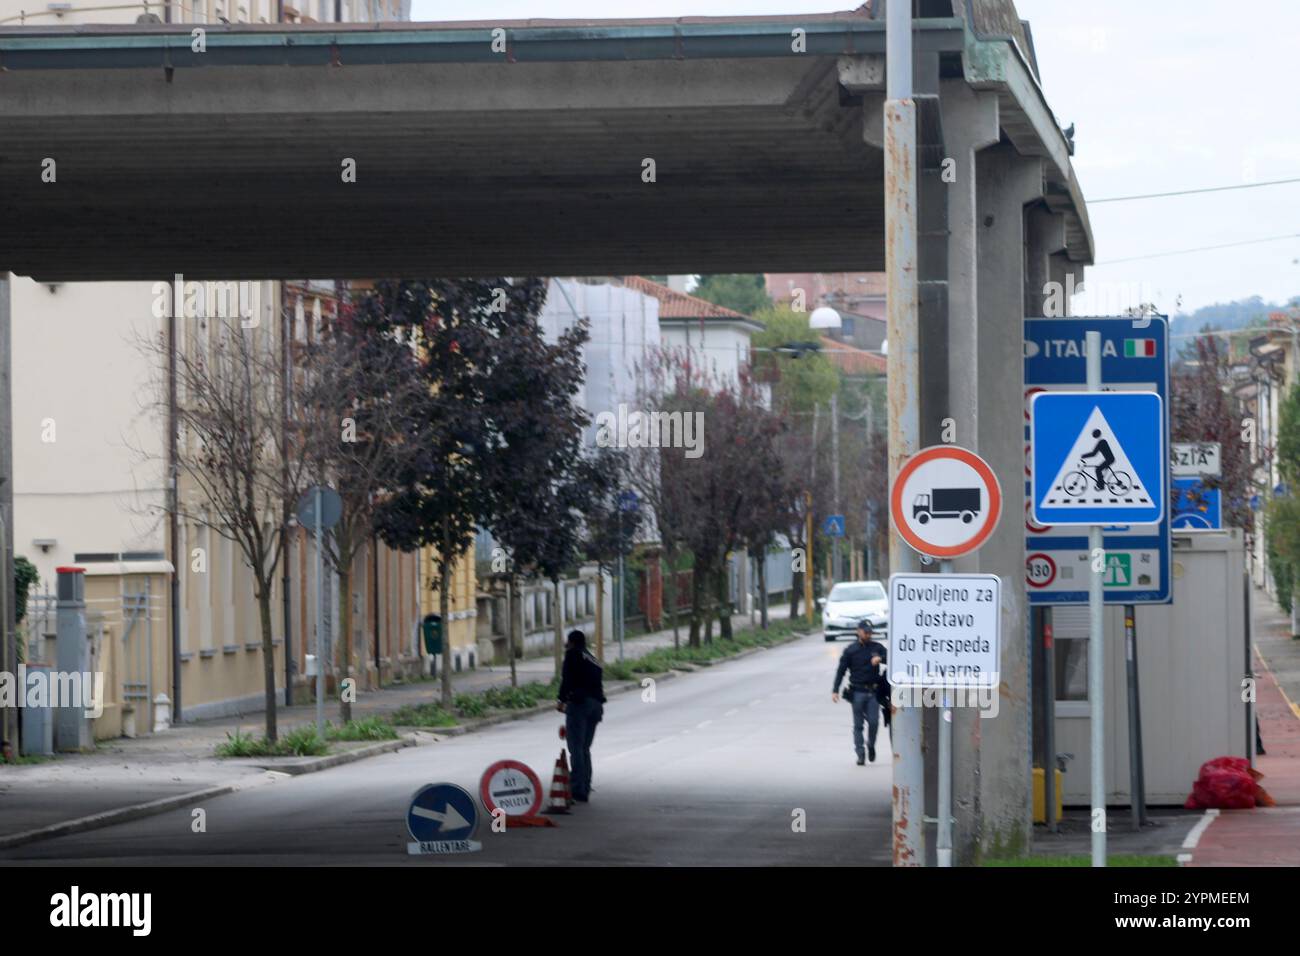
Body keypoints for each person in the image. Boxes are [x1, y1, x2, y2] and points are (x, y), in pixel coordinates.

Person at [556, 629, 605, 802]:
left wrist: (561, 700)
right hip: (596, 706)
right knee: (585, 748)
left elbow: (567, 680)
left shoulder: (572, 655)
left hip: (579, 704)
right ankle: (585, 784)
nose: (566, 645)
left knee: (575, 747)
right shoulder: (593, 659)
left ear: (572, 642)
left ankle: (578, 788)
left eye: (568, 641)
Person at [832, 620, 888, 764]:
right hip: (857, 692)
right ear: (859, 631)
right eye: (865, 631)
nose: (868, 634)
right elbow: (841, 671)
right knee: (858, 725)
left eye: (870, 632)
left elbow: (893, 659)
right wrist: (835, 690)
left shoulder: (877, 647)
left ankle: (871, 745)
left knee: (874, 723)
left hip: (873, 692)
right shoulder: (851, 650)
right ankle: (860, 753)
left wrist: (880, 659)